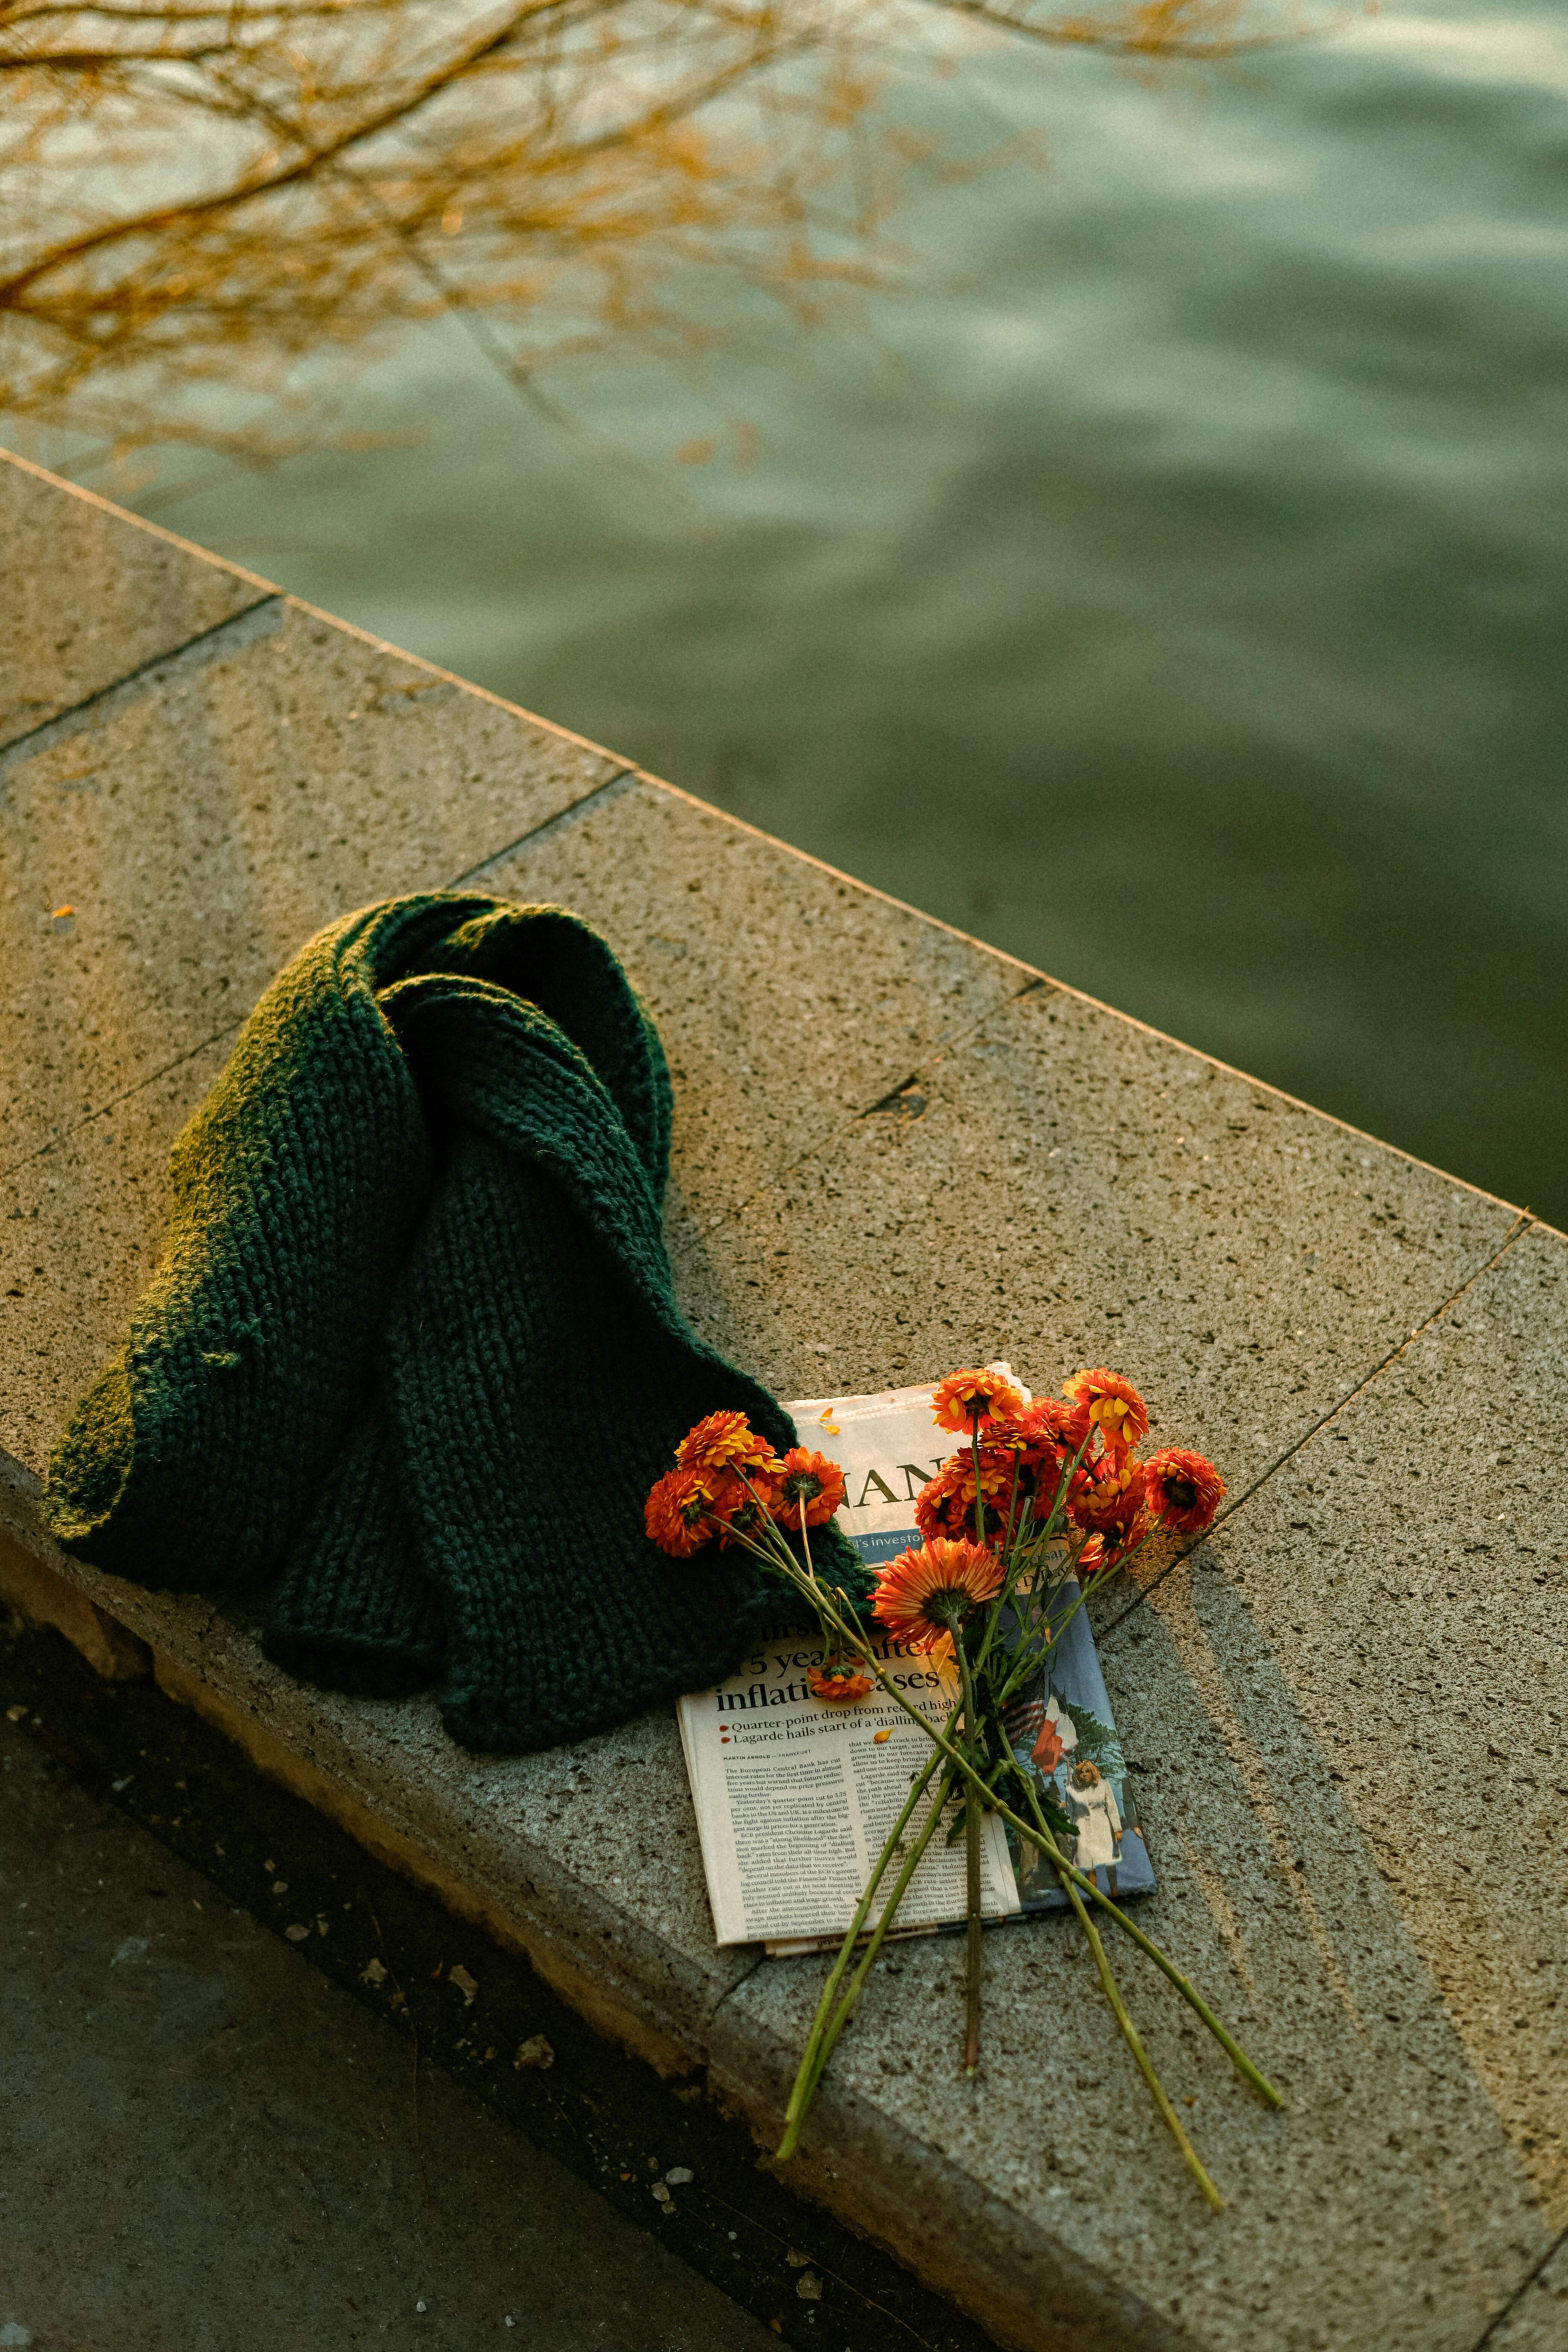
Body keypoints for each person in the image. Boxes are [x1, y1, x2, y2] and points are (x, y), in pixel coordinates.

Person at [1061, 1758, 1123, 1895]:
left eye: (1087, 1771)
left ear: (1093, 1772)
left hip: (1102, 1826)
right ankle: (1094, 1895)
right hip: (1082, 1828)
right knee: (1089, 1864)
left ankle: (1114, 1893)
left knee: (1109, 1861)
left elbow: (1112, 1808)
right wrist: (1069, 1834)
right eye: (1081, 1772)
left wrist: (1117, 1829)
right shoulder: (1071, 1790)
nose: (1084, 1774)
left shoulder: (1104, 1785)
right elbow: (1070, 1813)